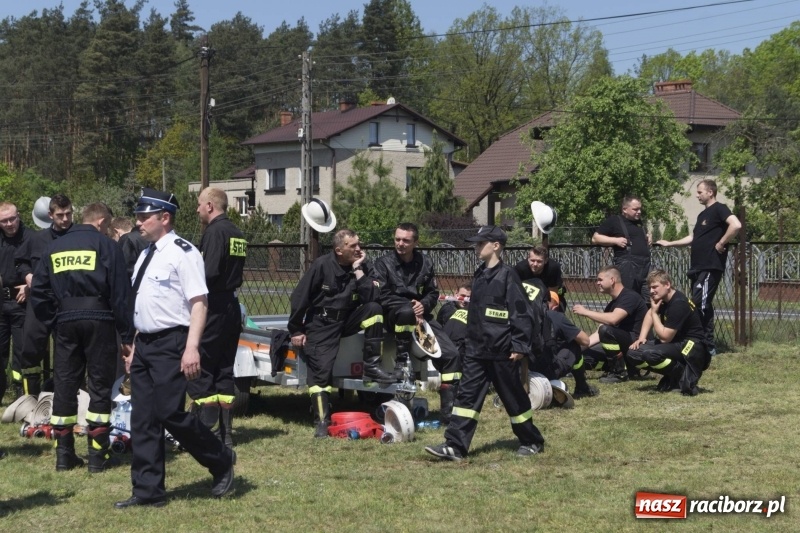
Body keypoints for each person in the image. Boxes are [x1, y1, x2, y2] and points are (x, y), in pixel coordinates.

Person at [115, 188, 234, 509]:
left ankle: (220, 459)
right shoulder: (145, 253)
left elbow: (199, 303)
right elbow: (145, 304)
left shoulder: (184, 253)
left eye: (144, 216)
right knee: (142, 419)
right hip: (147, 343)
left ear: (164, 218)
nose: (138, 222)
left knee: (170, 414)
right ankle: (148, 491)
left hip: (174, 342)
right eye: (138, 216)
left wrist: (192, 348)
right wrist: (136, 346)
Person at [425, 225, 545, 461]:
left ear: (496, 246)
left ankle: (531, 440)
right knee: (466, 398)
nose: (476, 247)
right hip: (476, 351)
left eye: (481, 243)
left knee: (514, 399)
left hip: (502, 352)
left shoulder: (508, 275)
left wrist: (519, 346)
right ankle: (455, 446)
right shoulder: (480, 274)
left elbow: (522, 313)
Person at [30, 203, 134, 472]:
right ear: (100, 222)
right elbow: (120, 293)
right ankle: (98, 456)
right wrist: (126, 334)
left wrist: (54, 320)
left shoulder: (54, 248)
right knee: (99, 383)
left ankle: (64, 455)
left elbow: (39, 291)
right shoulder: (106, 246)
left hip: (65, 320)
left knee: (65, 384)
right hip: (100, 319)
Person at [289, 228, 394, 437]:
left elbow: (372, 295)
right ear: (339, 250)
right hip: (322, 323)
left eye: (358, 244)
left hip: (348, 319)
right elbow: (299, 297)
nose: (358, 248)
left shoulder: (362, 265)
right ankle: (322, 420)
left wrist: (358, 269)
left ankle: (372, 366)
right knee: (321, 373)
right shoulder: (322, 266)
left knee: (374, 309)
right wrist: (296, 329)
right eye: (352, 245)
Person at [373, 222, 462, 423]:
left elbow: (432, 292)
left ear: (415, 242)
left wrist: (424, 305)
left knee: (452, 355)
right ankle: (402, 360)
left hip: (421, 316)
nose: (400, 244)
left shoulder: (426, 262)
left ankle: (449, 415)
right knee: (405, 311)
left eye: (406, 240)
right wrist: (412, 307)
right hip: (393, 317)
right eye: (397, 239)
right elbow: (381, 296)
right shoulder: (382, 264)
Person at [657, 179, 741, 355]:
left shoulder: (720, 208)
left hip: (710, 266)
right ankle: (706, 343)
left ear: (710, 192)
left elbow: (736, 225)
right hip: (697, 267)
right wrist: (670, 243)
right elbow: (693, 238)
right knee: (704, 304)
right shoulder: (703, 215)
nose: (697, 195)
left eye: (700, 192)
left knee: (698, 304)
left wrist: (722, 242)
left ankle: (701, 343)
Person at [191, 187, 247, 454]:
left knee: (203, 364)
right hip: (232, 306)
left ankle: (204, 430)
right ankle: (226, 435)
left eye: (200, 205)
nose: (197, 209)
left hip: (212, 305)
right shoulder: (237, 232)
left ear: (211, 206)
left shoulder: (214, 232)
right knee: (225, 367)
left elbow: (209, 271)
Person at [14, 194, 74, 398]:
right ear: (50, 215)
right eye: (60, 215)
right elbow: (21, 262)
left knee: (66, 351)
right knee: (30, 348)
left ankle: (63, 394)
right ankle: (30, 395)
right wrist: (28, 275)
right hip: (39, 302)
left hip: (67, 303)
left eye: (68, 214)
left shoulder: (77, 237)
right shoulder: (36, 239)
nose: (65, 219)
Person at [627, 269, 710, 396]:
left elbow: (665, 337)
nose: (651, 291)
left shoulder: (678, 303)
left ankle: (680, 374)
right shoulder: (664, 299)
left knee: (651, 354)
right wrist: (641, 338)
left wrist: (655, 313)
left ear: (667, 285)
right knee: (633, 353)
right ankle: (673, 375)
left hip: (692, 346)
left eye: (655, 287)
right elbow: (649, 314)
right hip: (676, 342)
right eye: (649, 287)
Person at [573, 266, 648, 384]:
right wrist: (576, 349)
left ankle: (619, 373)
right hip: (620, 346)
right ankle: (614, 366)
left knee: (606, 330)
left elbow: (613, 320)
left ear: (612, 280)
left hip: (636, 346)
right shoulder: (612, 304)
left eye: (600, 280)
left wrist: (585, 312)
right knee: (584, 356)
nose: (597, 283)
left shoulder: (629, 296)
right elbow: (599, 333)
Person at [534, 291, 597, 399]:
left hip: (525, 369)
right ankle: (582, 387)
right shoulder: (555, 316)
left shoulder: (523, 315)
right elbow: (585, 341)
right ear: (555, 307)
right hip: (547, 371)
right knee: (574, 343)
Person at [0, 202, 33, 403]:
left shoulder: (31, 238)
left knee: (21, 353)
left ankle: (21, 396)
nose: (10, 224)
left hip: (22, 302)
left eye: (12, 218)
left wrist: (31, 286)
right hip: (0, 304)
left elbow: (41, 266)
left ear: (18, 215)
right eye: (4, 221)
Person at [592, 195, 652, 301]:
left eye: (640, 209)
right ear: (624, 209)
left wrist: (648, 235)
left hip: (645, 266)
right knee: (628, 298)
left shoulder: (639, 223)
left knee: (649, 298)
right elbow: (595, 238)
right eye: (635, 209)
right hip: (627, 265)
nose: (639, 212)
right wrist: (615, 240)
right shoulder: (615, 221)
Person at [513, 245, 567, 311]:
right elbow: (515, 290)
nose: (535, 264)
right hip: (528, 297)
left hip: (551, 294)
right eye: (532, 260)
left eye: (539, 261)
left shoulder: (552, 268)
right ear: (528, 259)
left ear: (546, 260)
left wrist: (551, 306)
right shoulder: (520, 268)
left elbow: (553, 291)